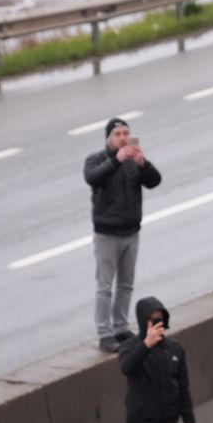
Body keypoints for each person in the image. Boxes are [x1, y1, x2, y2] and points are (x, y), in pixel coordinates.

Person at [84, 117, 162, 351]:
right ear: (109, 138)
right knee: (105, 286)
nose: (123, 138)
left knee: (126, 284)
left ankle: (120, 327)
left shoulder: (133, 162)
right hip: (107, 234)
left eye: (126, 133)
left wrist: (143, 164)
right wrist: (116, 161)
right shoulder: (97, 159)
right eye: (118, 134)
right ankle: (104, 332)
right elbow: (92, 178)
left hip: (131, 232)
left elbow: (155, 181)